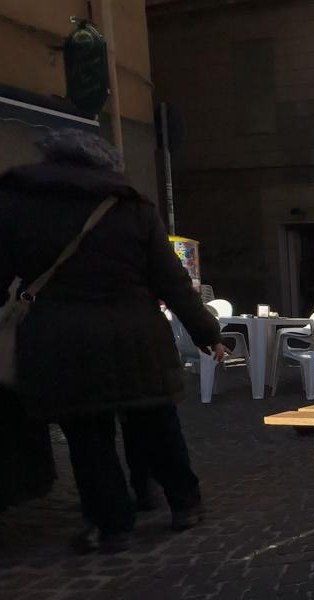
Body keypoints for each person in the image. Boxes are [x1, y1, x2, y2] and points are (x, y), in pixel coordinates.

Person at [0, 130, 226, 554]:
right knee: (158, 427)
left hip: (60, 341)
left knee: (88, 440)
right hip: (137, 335)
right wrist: (207, 334)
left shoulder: (16, 204)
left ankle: (112, 524)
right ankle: (184, 503)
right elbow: (172, 281)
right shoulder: (130, 207)